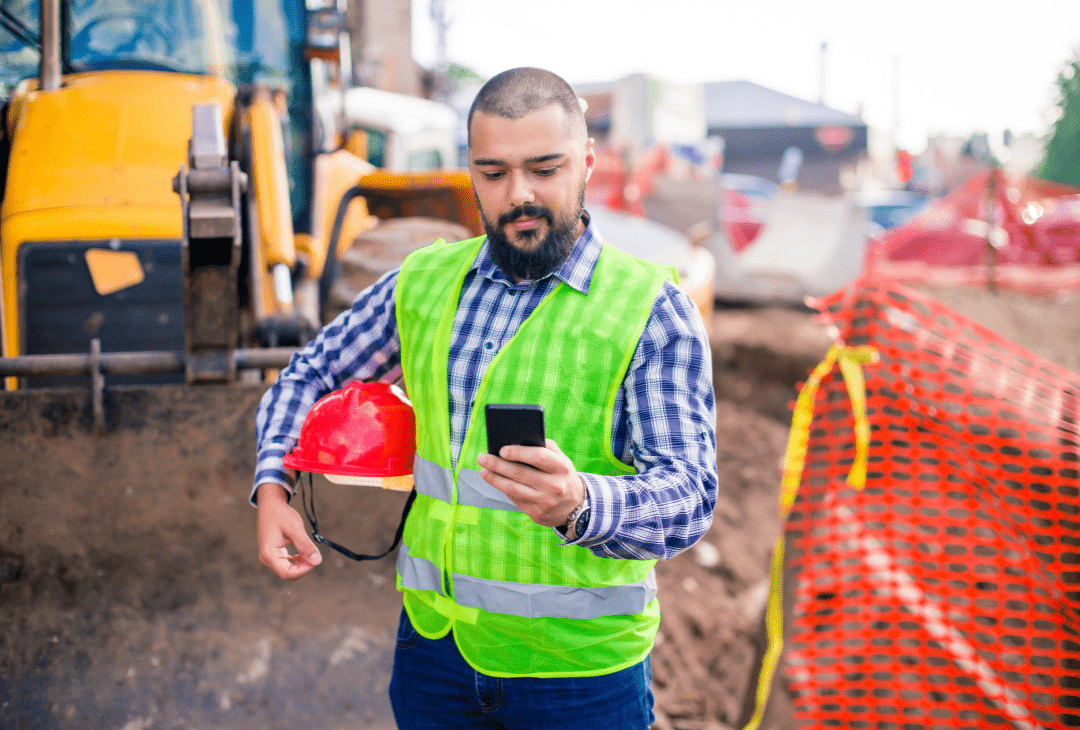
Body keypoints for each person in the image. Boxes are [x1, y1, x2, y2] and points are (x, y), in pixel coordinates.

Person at [253, 66, 717, 729]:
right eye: (493, 173)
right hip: (435, 658)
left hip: (579, 677)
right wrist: (274, 486)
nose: (518, 194)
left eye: (544, 169)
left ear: (586, 162)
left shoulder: (651, 309)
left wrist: (584, 502)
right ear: (469, 170)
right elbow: (308, 373)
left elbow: (691, 494)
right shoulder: (421, 283)